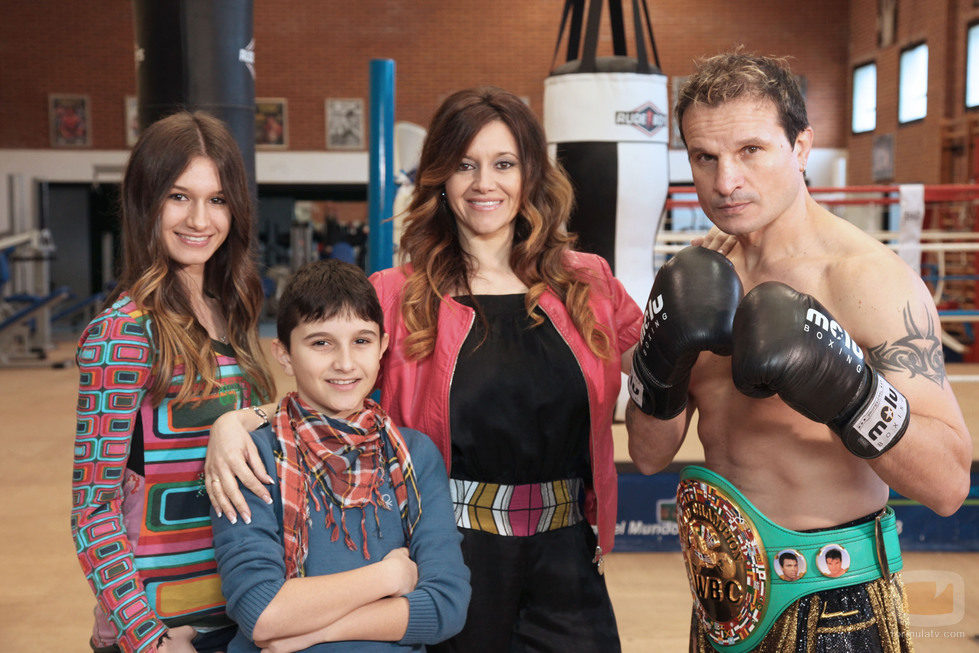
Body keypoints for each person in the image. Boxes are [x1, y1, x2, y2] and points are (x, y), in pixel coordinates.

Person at [205, 86, 643, 652]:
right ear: (440, 178)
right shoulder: (396, 295)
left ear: (530, 173)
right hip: (447, 556)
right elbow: (336, 383)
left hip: (568, 557)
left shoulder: (588, 283)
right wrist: (237, 423)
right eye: (465, 165)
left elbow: (662, 366)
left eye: (503, 164)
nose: (485, 184)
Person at [626, 51, 972, 652]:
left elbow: (946, 486)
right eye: (705, 158)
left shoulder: (865, 279)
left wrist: (850, 392)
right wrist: (660, 365)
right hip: (722, 604)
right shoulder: (701, 279)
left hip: (838, 606)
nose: (726, 180)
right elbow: (648, 454)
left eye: (751, 151)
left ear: (802, 146)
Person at [71, 111, 276, 653]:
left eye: (216, 199)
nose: (199, 219)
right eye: (178, 196)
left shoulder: (229, 314)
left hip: (236, 613)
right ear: (146, 202)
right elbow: (92, 511)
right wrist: (149, 639)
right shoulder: (124, 334)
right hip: (162, 629)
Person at [211, 260, 470, 652]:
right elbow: (260, 612)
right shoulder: (251, 455)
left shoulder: (414, 455)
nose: (345, 363)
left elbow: (445, 606)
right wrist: (387, 577)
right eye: (321, 343)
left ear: (383, 346)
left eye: (361, 341)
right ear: (283, 354)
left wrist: (314, 631)